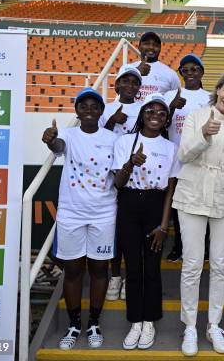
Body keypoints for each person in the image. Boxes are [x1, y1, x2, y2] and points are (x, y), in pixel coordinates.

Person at [172, 70, 224, 356]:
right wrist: (204, 135)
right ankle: (190, 326)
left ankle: (213, 325)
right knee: (192, 264)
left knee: (220, 264)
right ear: (217, 90)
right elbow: (183, 156)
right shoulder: (196, 116)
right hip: (192, 196)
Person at [42, 88, 117, 350]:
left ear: (100, 111)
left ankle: (94, 322)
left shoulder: (112, 138)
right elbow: (58, 146)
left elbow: (118, 175)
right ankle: (74, 325)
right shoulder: (67, 134)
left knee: (98, 270)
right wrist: (50, 139)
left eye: (94, 106)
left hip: (104, 212)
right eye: (82, 106)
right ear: (77, 111)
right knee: (73, 270)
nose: (88, 110)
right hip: (71, 213)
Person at [112, 93, 178, 350]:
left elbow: (170, 190)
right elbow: (118, 183)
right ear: (142, 114)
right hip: (129, 204)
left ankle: (149, 319)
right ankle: (135, 321)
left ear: (166, 120)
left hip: (155, 206)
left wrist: (164, 226)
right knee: (134, 267)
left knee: (152, 267)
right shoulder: (125, 141)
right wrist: (130, 163)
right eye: (150, 110)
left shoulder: (171, 148)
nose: (156, 116)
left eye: (162, 113)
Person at [100, 65, 143, 302]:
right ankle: (114, 275)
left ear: (139, 88)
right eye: (124, 82)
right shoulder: (105, 109)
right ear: (116, 85)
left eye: (134, 82)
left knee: (131, 231)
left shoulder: (142, 108)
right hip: (108, 175)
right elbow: (95, 139)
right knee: (115, 230)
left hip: (135, 175)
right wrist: (112, 122)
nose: (129, 86)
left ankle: (129, 276)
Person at [163, 53, 212, 262]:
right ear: (180, 73)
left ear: (202, 72)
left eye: (195, 69)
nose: (190, 73)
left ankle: (205, 246)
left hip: (203, 159)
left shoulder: (210, 97)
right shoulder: (169, 96)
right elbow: (159, 124)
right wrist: (172, 106)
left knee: (204, 204)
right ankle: (179, 246)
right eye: (186, 70)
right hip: (177, 159)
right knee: (177, 205)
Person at [127, 31, 181, 102]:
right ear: (139, 47)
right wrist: (136, 72)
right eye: (146, 44)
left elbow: (176, 99)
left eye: (155, 45)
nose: (151, 47)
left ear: (160, 49)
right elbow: (120, 92)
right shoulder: (128, 69)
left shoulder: (171, 73)